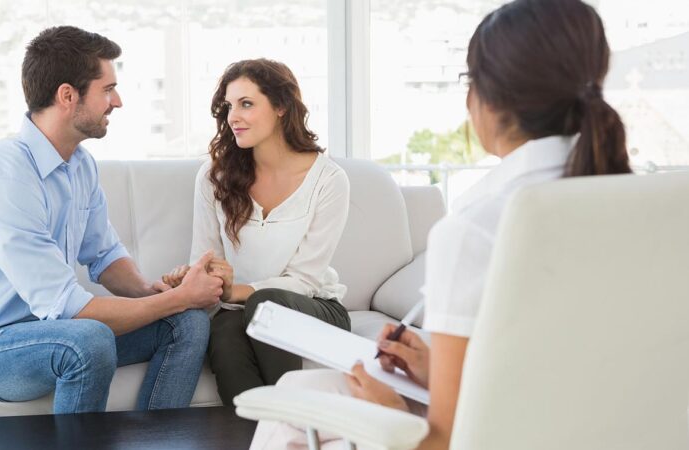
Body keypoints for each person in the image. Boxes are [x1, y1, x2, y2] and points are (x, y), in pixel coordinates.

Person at [249, 0, 632, 448]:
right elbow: (560, 361)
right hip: (600, 425)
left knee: (291, 413)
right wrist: (436, 370)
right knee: (298, 388)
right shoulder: (641, 205)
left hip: (515, 433)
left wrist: (389, 412)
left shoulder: (478, 228)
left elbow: (447, 443)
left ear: (485, 96)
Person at [0, 26, 224, 414]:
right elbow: (68, 309)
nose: (117, 101)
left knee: (187, 322)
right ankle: (86, 442)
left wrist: (152, 292)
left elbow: (104, 256)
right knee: (88, 339)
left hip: (51, 333)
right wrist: (178, 297)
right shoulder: (4, 177)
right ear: (68, 96)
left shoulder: (80, 165)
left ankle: (152, 438)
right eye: (108, 89)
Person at [162, 59, 352, 405]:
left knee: (266, 304)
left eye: (246, 104)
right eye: (229, 106)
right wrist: (194, 278)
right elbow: (205, 259)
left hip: (314, 307)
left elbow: (305, 280)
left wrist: (235, 290)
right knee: (224, 332)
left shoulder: (329, 180)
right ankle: (265, 431)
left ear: (281, 106)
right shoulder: (214, 177)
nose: (233, 117)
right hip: (236, 309)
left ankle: (293, 422)